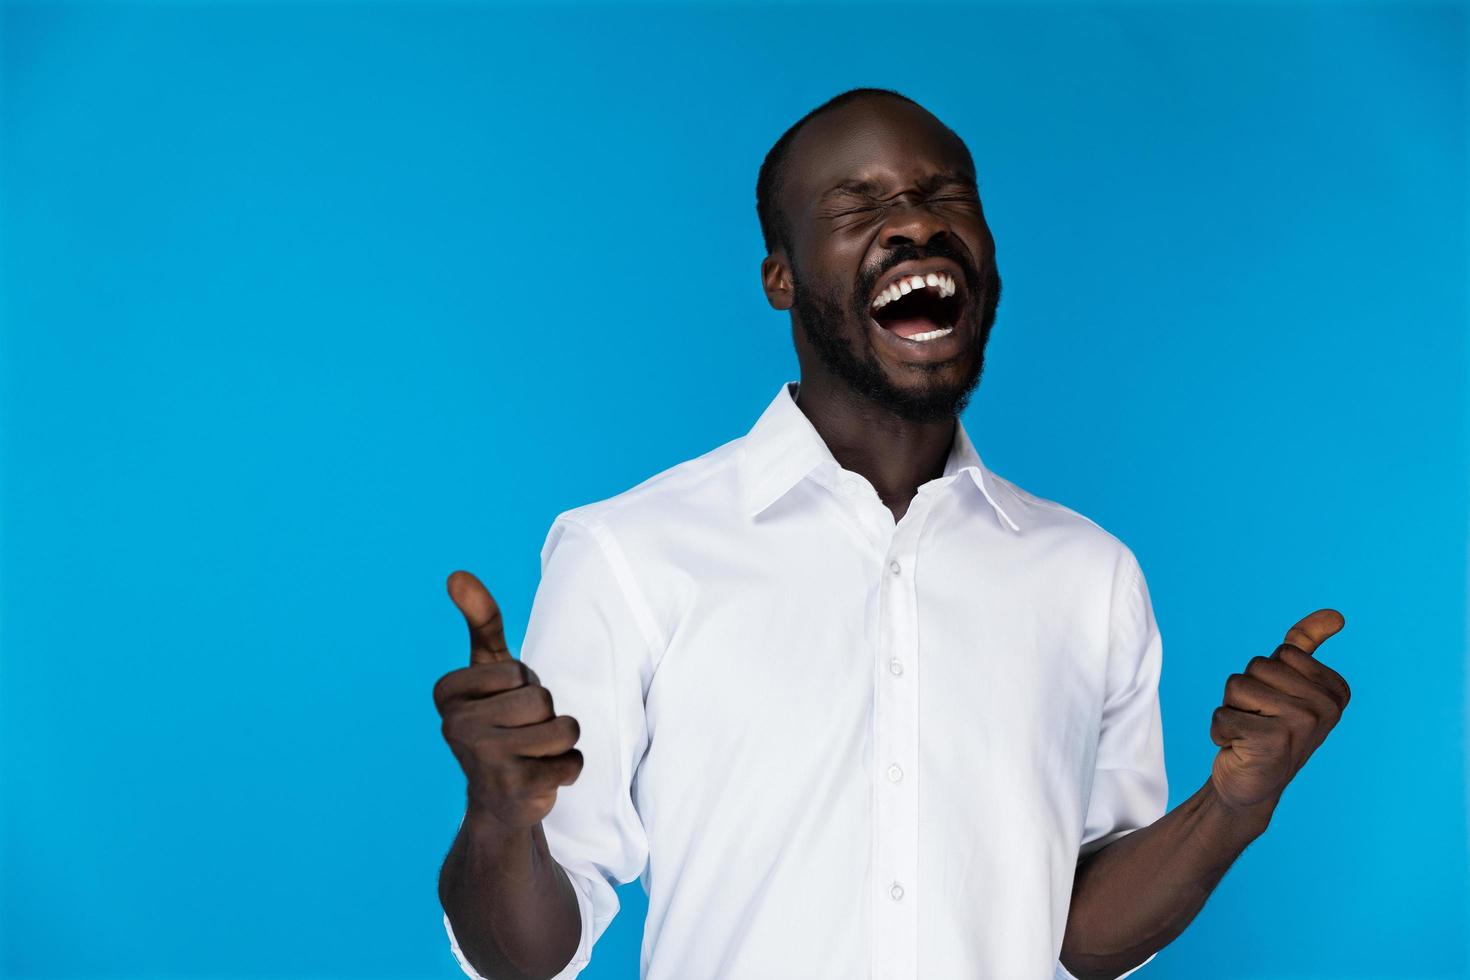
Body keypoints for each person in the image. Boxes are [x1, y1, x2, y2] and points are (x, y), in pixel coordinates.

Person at [432, 87, 1351, 980]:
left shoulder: (1090, 575)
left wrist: (1234, 805)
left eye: (947, 193)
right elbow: (528, 959)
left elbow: (1078, 939)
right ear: (781, 277)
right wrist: (496, 822)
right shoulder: (628, 555)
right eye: (857, 201)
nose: (916, 222)